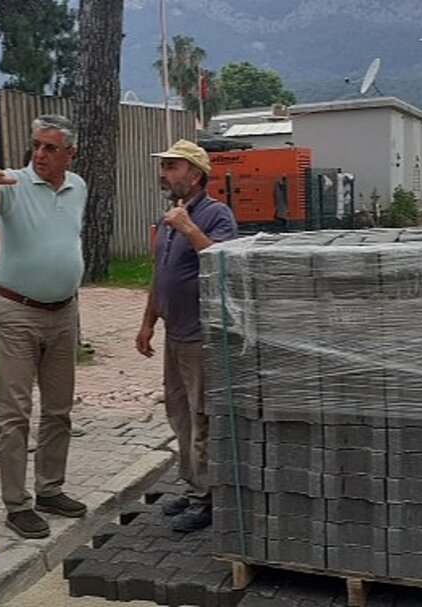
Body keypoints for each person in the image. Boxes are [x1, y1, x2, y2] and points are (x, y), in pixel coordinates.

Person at [0, 114, 88, 539]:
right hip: (17, 312)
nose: (39, 154)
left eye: (50, 147)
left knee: (59, 410)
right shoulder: (12, 183)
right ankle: (17, 504)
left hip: (63, 314)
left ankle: (50, 489)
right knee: (15, 412)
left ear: (69, 153)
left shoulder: (78, 187)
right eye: (36, 145)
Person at [136, 139, 238, 533]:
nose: (163, 174)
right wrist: (148, 321)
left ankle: (209, 499)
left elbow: (224, 262)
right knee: (178, 415)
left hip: (201, 337)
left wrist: (189, 228)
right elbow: (159, 274)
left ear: (194, 175)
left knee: (201, 418)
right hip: (174, 336)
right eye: (164, 167)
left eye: (171, 167)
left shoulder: (215, 214)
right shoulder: (169, 218)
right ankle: (194, 485)